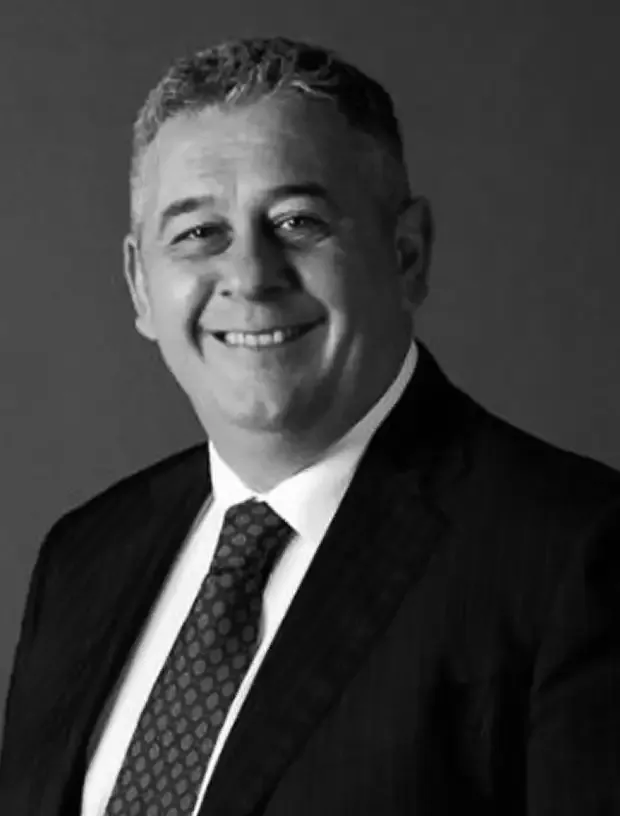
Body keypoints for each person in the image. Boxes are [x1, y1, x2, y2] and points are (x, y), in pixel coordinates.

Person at [1, 35, 619, 816]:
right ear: (140, 286)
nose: (250, 277)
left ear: (406, 255)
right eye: (199, 233)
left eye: (298, 222)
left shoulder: (576, 556)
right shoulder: (84, 557)